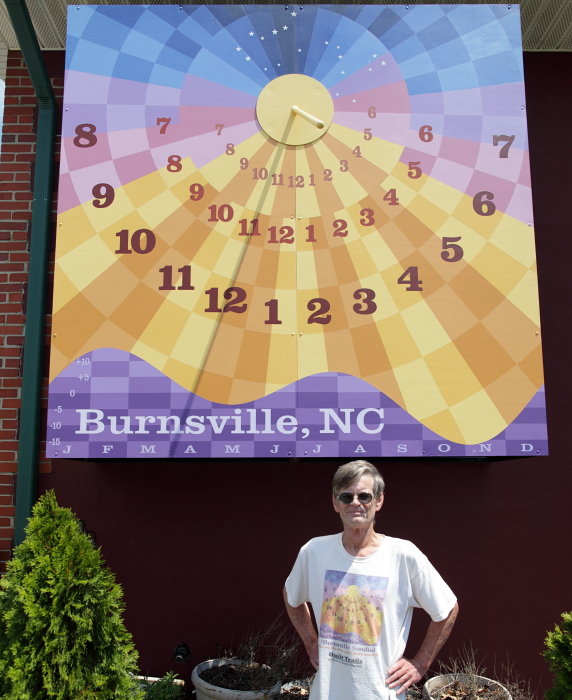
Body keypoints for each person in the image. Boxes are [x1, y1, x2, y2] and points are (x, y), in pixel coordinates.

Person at [283, 460, 458, 700]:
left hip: (382, 693)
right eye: (346, 497)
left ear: (379, 501)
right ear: (335, 503)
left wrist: (421, 663)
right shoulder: (313, 551)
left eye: (364, 496)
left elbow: (447, 609)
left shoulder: (403, 555)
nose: (355, 503)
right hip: (326, 693)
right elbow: (291, 596)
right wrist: (311, 643)